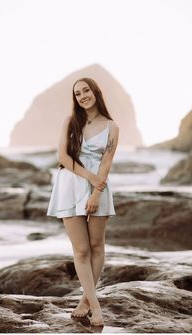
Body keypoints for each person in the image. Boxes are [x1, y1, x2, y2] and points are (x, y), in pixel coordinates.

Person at [47, 78, 119, 327]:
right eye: (77, 93)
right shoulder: (71, 121)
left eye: (86, 90)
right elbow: (64, 157)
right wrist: (89, 178)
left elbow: (106, 163)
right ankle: (95, 305)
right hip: (70, 185)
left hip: (98, 189)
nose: (82, 96)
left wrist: (96, 193)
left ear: (95, 91)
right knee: (81, 250)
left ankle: (85, 301)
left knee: (97, 246)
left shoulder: (111, 126)